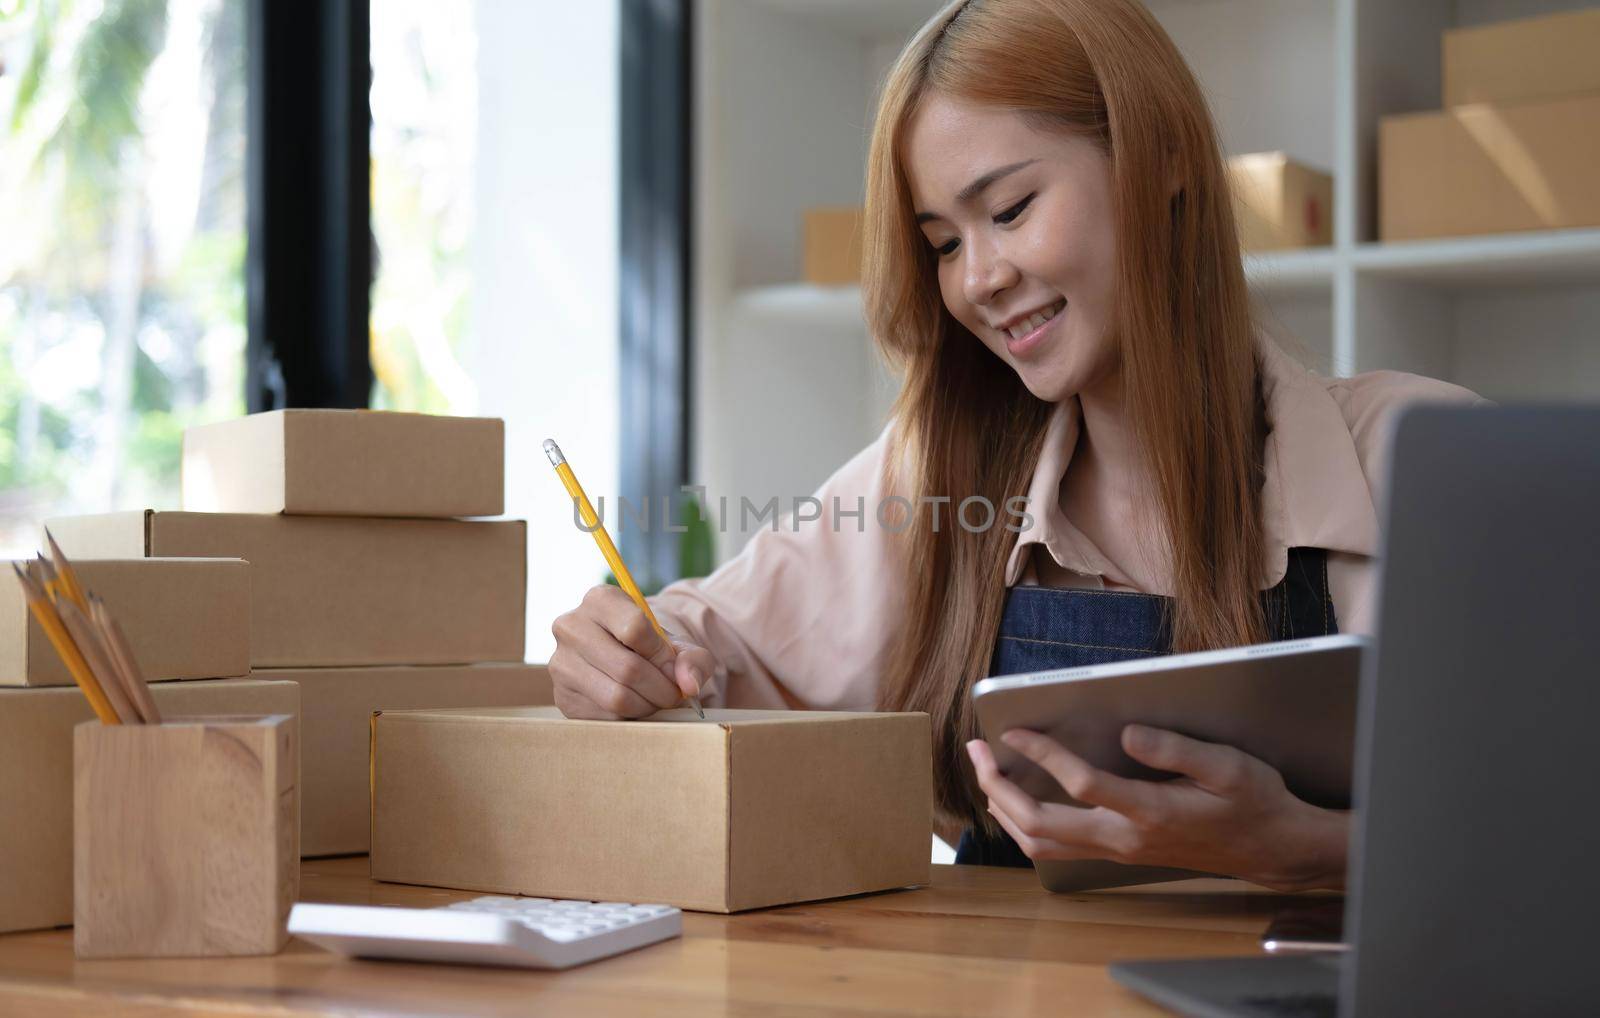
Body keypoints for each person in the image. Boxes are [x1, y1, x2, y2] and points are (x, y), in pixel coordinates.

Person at [548, 0, 1483, 890]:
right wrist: (624, 652)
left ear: (1158, 161)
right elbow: (712, 645)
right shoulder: (942, 471)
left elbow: (1556, 831)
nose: (978, 282)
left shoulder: (1423, 459)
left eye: (1009, 210)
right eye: (943, 244)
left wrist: (1315, 853)